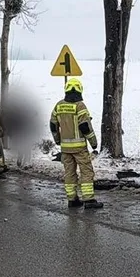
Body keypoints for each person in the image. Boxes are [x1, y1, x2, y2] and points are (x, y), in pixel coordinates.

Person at [49, 78, 103, 209]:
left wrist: (57, 140)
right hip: (79, 148)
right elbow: (85, 127)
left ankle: (72, 199)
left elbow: (53, 125)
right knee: (86, 172)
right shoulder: (80, 106)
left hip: (65, 148)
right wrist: (94, 143)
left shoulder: (58, 106)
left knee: (69, 173)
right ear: (80, 90)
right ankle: (89, 200)